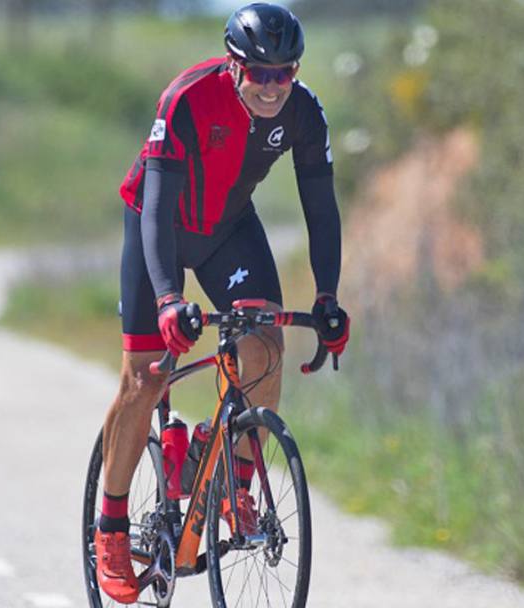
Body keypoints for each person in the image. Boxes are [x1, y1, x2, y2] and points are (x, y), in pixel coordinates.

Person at [93, 2, 350, 603]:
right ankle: (110, 525)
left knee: (264, 345)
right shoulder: (187, 99)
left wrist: (328, 297)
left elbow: (321, 208)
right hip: (158, 225)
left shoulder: (305, 113)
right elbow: (156, 206)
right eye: (259, 73)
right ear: (233, 65)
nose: (271, 87)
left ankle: (228, 471)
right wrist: (166, 299)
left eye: (284, 73)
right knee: (146, 377)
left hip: (228, 228)